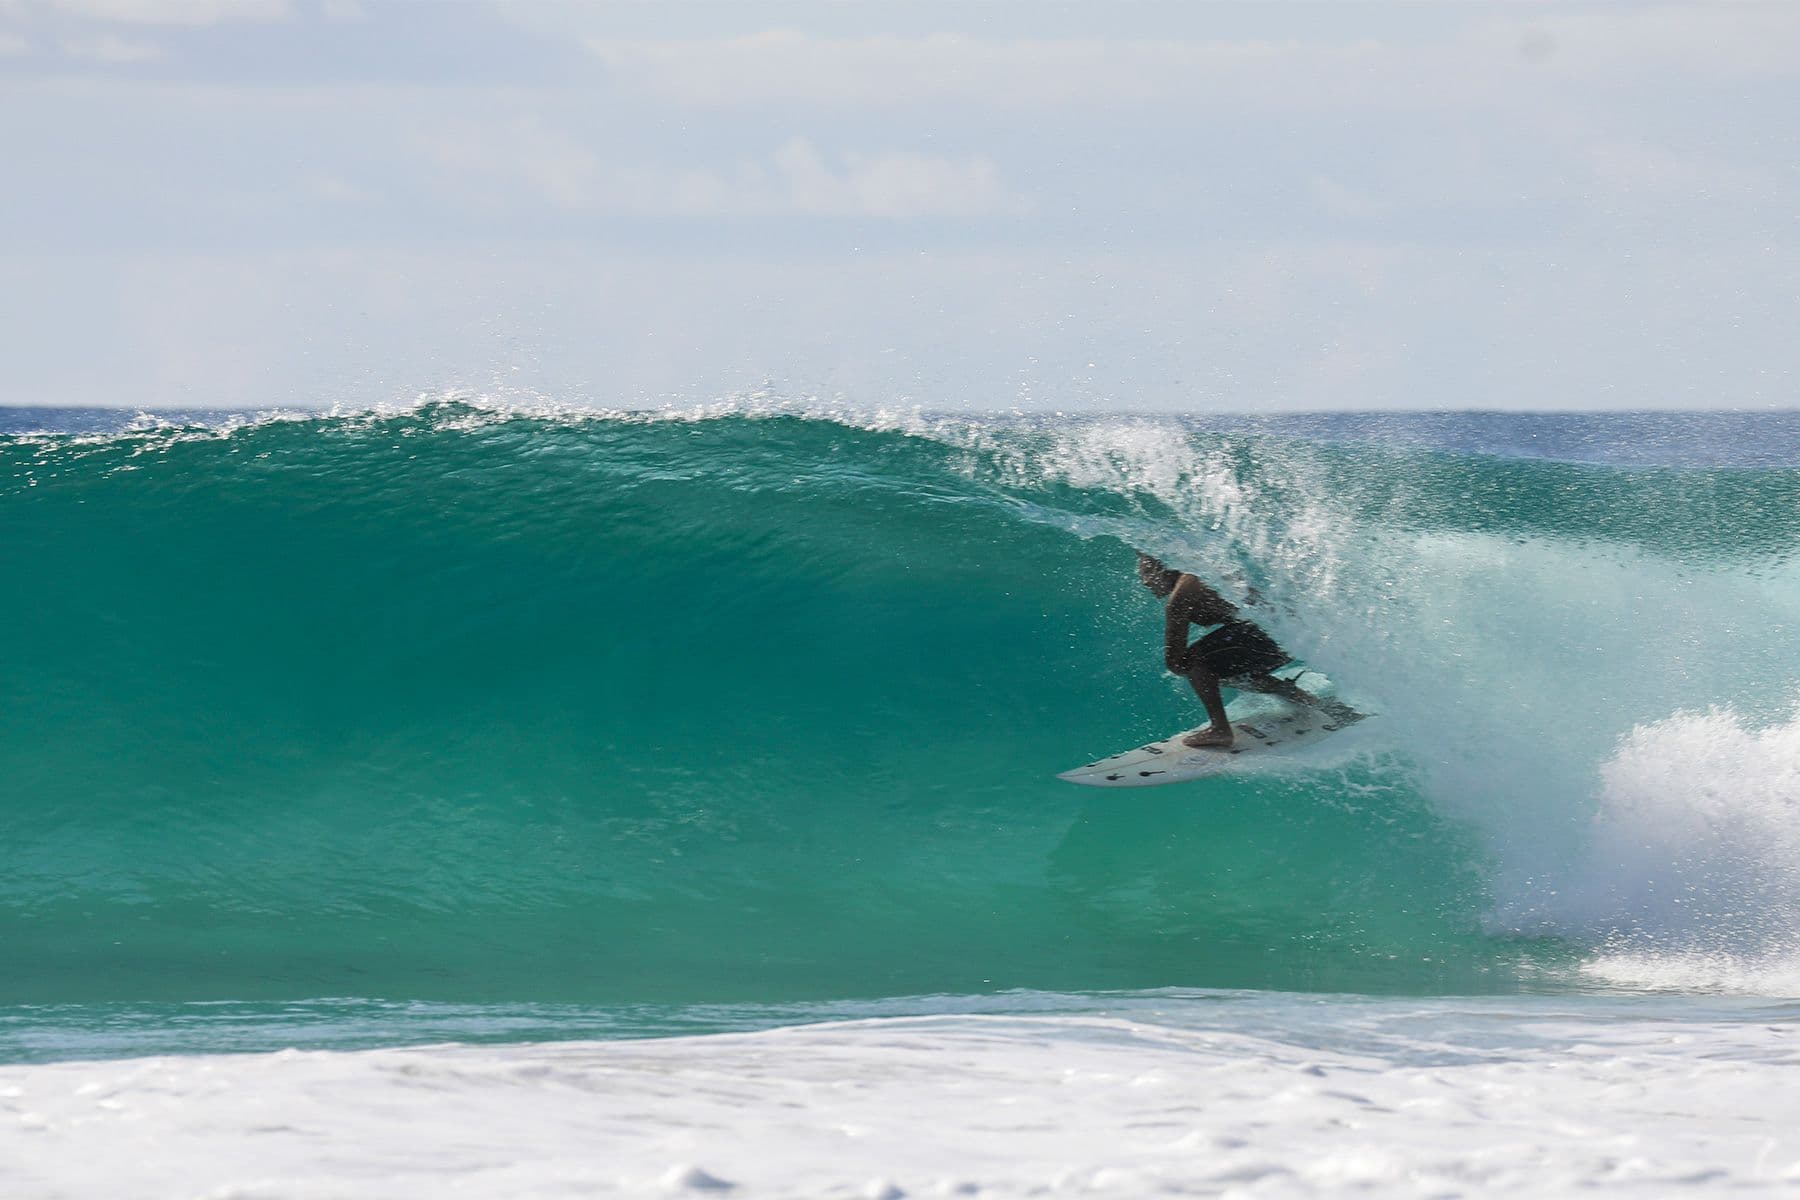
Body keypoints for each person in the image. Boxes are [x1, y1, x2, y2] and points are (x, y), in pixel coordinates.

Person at [1136, 552, 1337, 749]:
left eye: (1146, 569)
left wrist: (1193, 671)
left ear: (1165, 567)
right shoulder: (1197, 575)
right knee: (1216, 669)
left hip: (1276, 635)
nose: (1144, 581)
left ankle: (1220, 729)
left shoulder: (1181, 597)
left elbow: (1175, 662)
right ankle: (1300, 696)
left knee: (1195, 662)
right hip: (1291, 635)